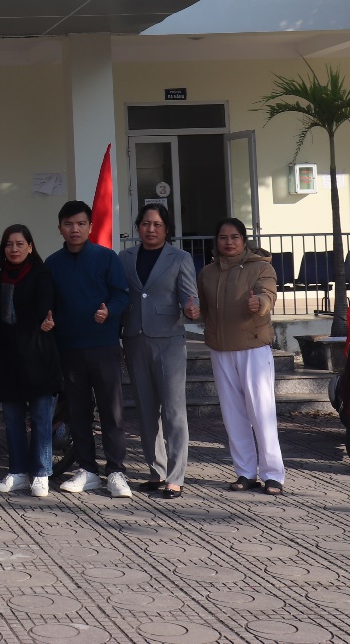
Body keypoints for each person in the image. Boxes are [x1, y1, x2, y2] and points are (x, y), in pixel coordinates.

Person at [46, 200, 132, 498]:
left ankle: (116, 471)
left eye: (81, 223)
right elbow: (48, 303)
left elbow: (122, 295)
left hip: (103, 346)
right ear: (60, 227)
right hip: (69, 348)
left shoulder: (106, 258)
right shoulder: (53, 263)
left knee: (112, 411)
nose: (75, 229)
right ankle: (87, 469)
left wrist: (110, 311)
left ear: (90, 226)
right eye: (69, 224)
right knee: (78, 412)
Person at [198, 217, 285, 495]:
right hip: (220, 350)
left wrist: (258, 303)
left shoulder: (261, 267)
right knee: (233, 414)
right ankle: (245, 472)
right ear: (217, 242)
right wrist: (191, 311)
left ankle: (273, 474)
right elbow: (201, 308)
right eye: (223, 238)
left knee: (261, 412)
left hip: (253, 348)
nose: (229, 242)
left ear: (243, 240)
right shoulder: (208, 273)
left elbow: (268, 295)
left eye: (234, 237)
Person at [120, 204, 199, 499]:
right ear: (138, 227)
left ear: (166, 229)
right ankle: (157, 471)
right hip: (134, 338)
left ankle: (176, 476)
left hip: (168, 340)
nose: (150, 229)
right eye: (144, 224)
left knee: (174, 411)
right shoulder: (124, 257)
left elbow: (190, 296)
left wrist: (193, 308)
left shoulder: (180, 257)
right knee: (145, 409)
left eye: (156, 224)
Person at [0, 225, 62, 497]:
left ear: (30, 246)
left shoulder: (42, 274)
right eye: (9, 244)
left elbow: (46, 308)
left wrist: (48, 318)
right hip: (9, 359)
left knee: (42, 419)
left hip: (39, 356)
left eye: (20, 243)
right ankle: (18, 472)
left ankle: (41, 472)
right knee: (12, 420)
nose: (14, 249)